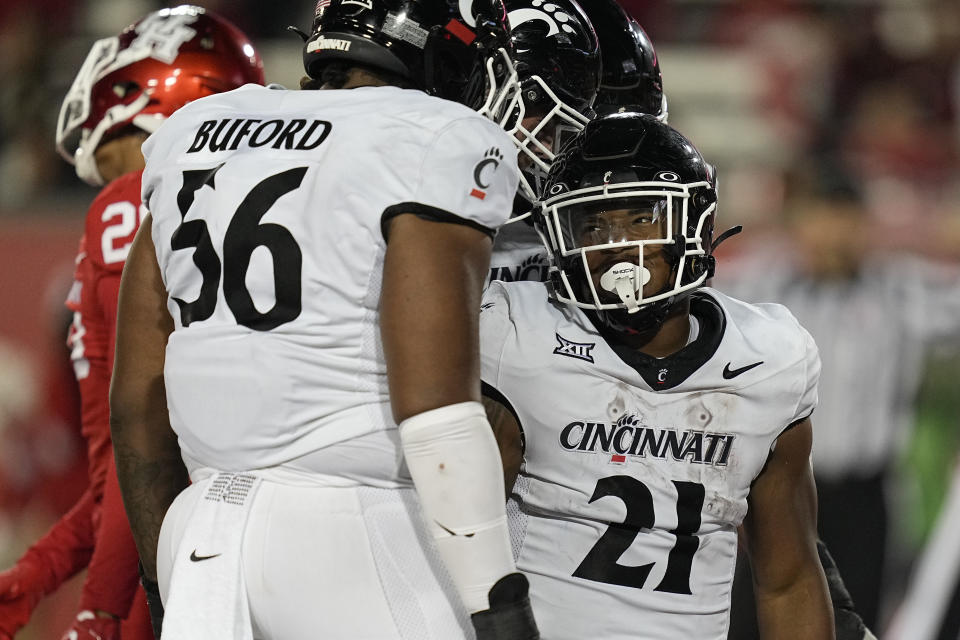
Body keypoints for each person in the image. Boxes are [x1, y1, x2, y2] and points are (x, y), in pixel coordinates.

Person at [110, 1, 537, 638]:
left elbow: (136, 404)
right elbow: (437, 410)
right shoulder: (432, 135)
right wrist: (499, 606)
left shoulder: (193, 130)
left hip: (199, 531)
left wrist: (163, 578)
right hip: (352, 529)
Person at [479, 112, 835, 639]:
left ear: (693, 225)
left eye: (641, 219)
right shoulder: (520, 338)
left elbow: (788, 578)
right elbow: (461, 534)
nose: (616, 244)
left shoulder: (769, 362)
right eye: (593, 224)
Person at [0, 7, 264, 640]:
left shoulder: (133, 203)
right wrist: (36, 573)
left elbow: (132, 452)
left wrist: (99, 609)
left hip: (204, 541)